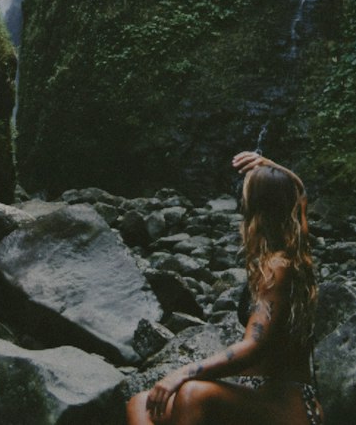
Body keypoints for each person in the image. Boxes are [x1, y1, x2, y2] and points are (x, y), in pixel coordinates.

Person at [125, 150, 321, 425]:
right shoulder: (296, 250)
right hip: (263, 399)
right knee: (141, 404)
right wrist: (275, 169)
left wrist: (183, 372)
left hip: (289, 407)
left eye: (245, 199)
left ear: (258, 209)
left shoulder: (280, 265)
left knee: (192, 393)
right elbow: (300, 196)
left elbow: (253, 345)